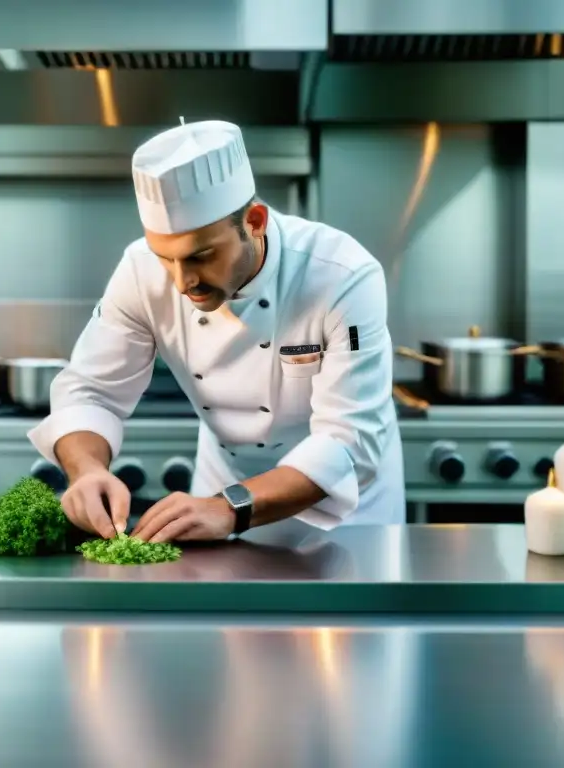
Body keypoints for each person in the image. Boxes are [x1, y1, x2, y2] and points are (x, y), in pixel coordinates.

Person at [28, 120, 404, 542]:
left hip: (344, 512)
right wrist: (87, 471)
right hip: (217, 497)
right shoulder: (139, 270)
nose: (182, 281)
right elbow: (90, 391)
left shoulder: (342, 275)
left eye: (201, 256)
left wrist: (231, 507)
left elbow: (348, 443)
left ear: (255, 221)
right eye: (165, 259)